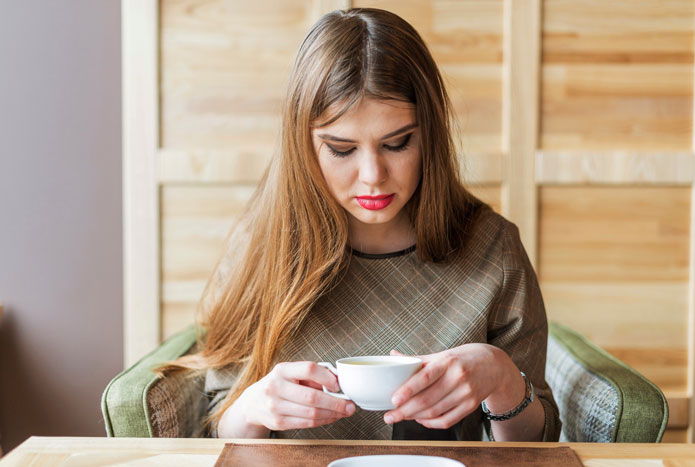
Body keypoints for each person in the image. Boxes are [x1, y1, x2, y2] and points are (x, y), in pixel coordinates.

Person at [165, 7, 561, 442]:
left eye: (397, 143)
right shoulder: (260, 247)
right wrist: (254, 409)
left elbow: (533, 445)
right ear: (303, 145)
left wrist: (504, 381)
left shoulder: (493, 249)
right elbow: (217, 422)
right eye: (341, 149)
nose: (373, 174)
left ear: (430, 134)